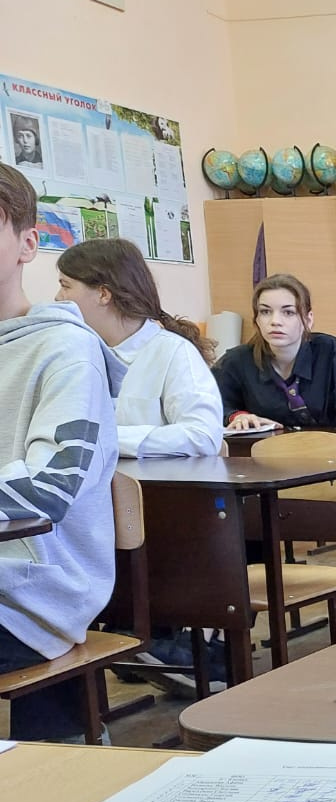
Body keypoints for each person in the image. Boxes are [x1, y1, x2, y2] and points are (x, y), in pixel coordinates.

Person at [0, 162, 123, 741]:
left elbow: (48, 489)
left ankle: (65, 762)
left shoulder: (66, 350)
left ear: (28, 244)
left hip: (32, 592)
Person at [55, 237, 222, 459]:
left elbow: (203, 437)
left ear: (103, 294)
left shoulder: (174, 352)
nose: (58, 298)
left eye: (65, 286)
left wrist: (104, 439)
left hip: (157, 481)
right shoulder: (76, 353)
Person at [213, 273, 336, 430]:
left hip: (329, 444)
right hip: (264, 445)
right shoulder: (237, 360)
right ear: (257, 320)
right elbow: (211, 405)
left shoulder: (329, 350)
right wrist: (237, 416)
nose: (275, 321)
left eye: (288, 312)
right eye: (265, 312)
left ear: (308, 319)